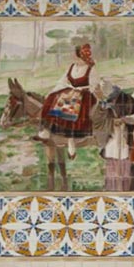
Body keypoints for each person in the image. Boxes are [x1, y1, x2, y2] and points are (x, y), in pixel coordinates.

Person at [38, 42, 95, 189]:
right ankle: (46, 129)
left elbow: (95, 85)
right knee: (53, 99)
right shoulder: (72, 67)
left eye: (74, 54)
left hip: (84, 94)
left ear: (79, 55)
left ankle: (71, 140)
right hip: (70, 91)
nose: (72, 56)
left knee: (71, 104)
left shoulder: (90, 69)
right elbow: (63, 81)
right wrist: (53, 91)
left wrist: (81, 90)